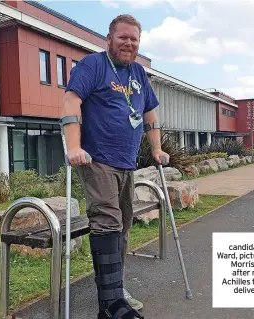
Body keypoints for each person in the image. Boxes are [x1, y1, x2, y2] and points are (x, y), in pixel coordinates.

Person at [60, 14, 169, 319]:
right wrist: (74, 146)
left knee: (122, 225)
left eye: (134, 39)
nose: (129, 43)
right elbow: (71, 103)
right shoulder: (92, 66)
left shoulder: (138, 73)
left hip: (126, 162)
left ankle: (116, 290)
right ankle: (109, 305)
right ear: (108, 39)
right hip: (97, 159)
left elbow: (150, 115)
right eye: (123, 37)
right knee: (107, 221)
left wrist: (157, 149)